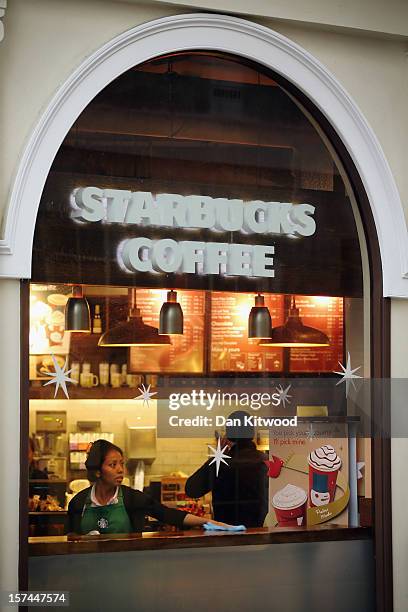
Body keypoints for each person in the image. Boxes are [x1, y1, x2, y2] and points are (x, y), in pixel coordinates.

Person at [68, 439, 233, 535]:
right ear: (97, 471)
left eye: (121, 464)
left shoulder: (133, 498)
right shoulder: (78, 503)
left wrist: (210, 522)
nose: (120, 469)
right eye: (113, 464)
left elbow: (168, 514)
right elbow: (69, 541)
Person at [185, 411, 268, 527]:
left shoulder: (220, 463)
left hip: (227, 535)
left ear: (228, 435)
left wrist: (217, 456)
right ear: (252, 433)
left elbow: (191, 489)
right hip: (260, 534)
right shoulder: (265, 461)